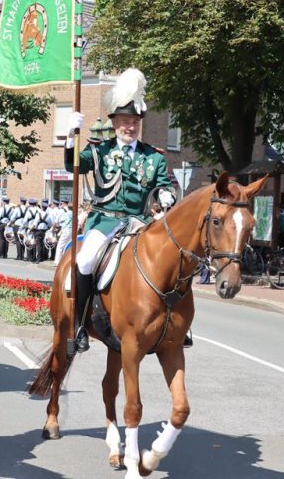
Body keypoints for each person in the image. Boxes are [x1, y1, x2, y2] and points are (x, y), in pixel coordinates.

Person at [64, 68, 175, 355]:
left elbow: (166, 184)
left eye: (135, 122)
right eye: (125, 122)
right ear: (114, 123)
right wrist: (69, 136)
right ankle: (79, 324)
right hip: (104, 221)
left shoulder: (153, 157)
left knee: (173, 260)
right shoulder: (100, 151)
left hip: (140, 223)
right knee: (85, 261)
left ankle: (176, 326)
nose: (130, 127)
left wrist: (166, 194)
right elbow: (75, 165)